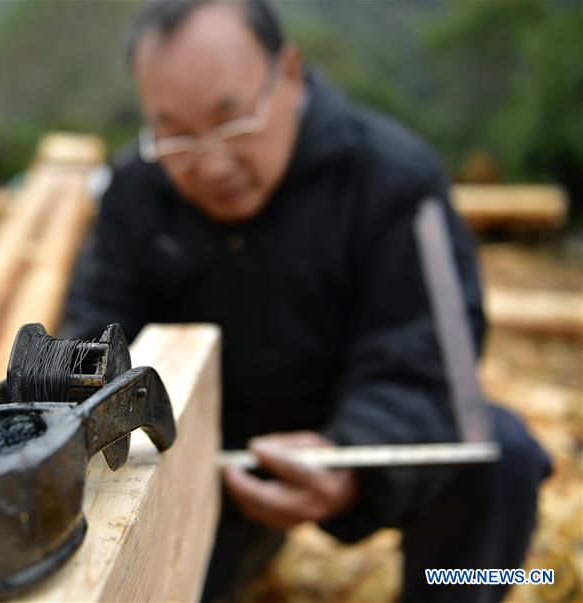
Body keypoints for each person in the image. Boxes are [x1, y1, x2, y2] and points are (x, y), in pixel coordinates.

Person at [63, 1, 552, 601]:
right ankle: (243, 548)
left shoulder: (394, 179)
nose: (212, 163)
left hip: (359, 430)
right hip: (209, 453)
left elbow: (428, 358)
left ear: (289, 74)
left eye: (234, 121)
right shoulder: (132, 194)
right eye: (176, 134)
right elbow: (91, 336)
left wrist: (352, 453)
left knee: (500, 458)